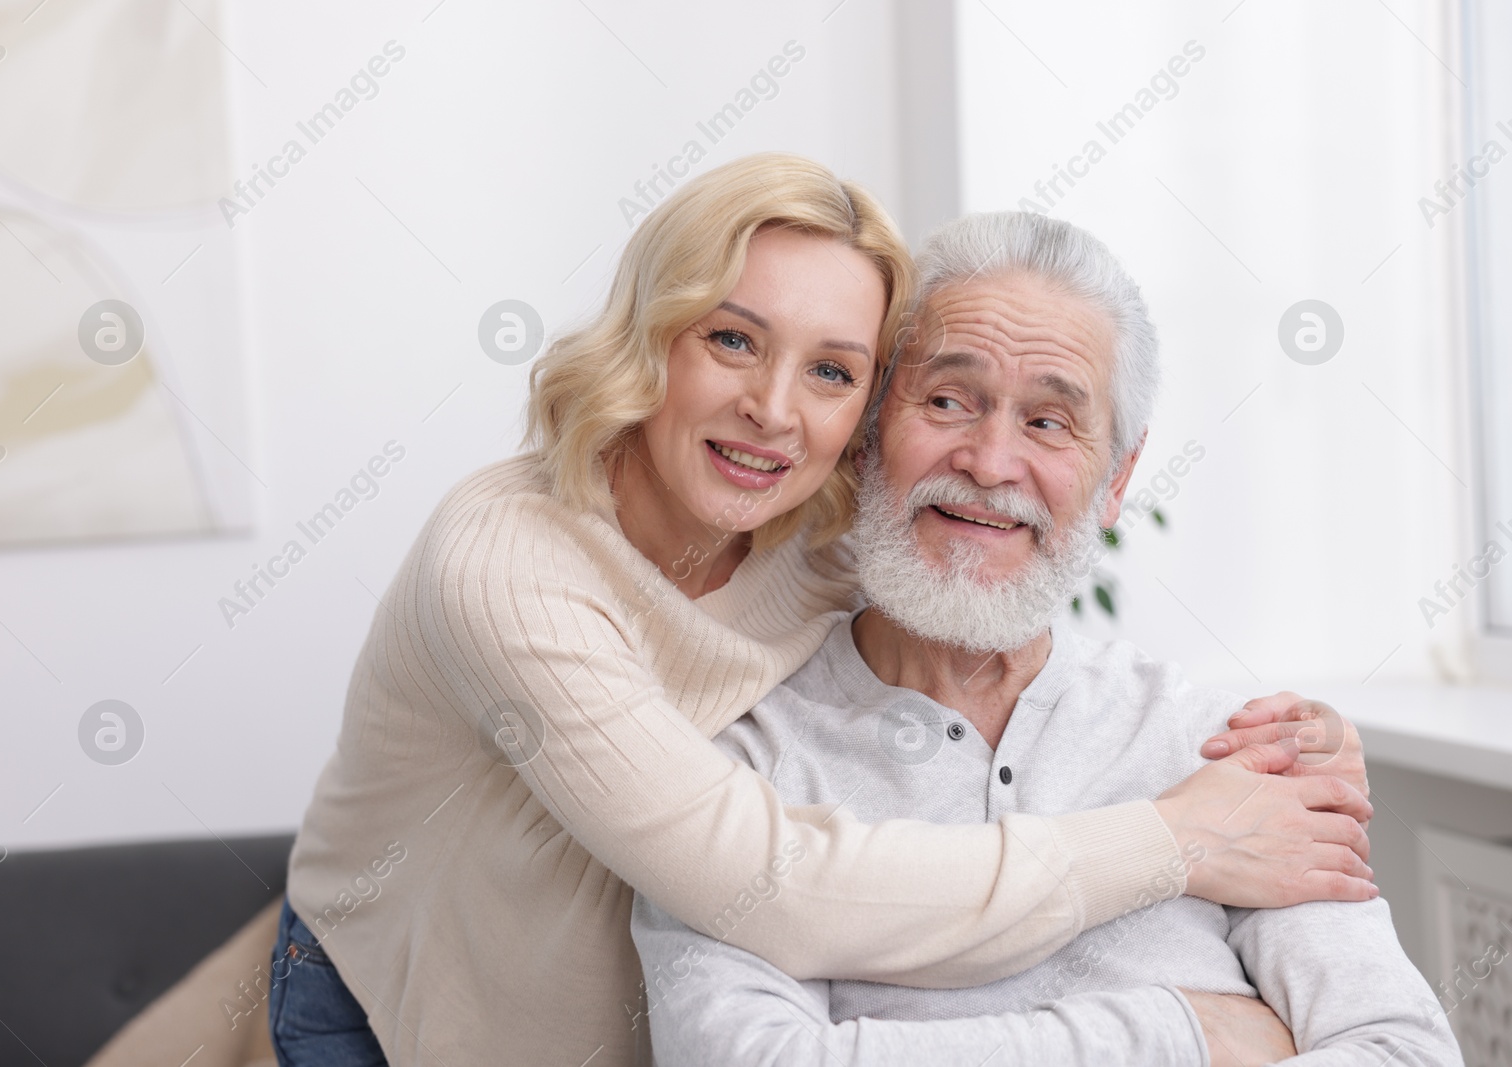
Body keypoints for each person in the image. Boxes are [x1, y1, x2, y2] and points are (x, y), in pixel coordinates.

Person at [272, 155, 1376, 1067]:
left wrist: (1302, 745)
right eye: (732, 338)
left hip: (637, 994)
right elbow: (760, 884)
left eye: (833, 370)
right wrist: (1177, 856)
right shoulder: (505, 561)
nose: (773, 409)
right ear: (650, 336)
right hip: (415, 994)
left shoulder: (827, 523)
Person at [631, 210, 1458, 1067]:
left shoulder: (1227, 751)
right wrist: (1188, 1035)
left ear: (1116, 479)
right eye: (949, 400)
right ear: (869, 434)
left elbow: (1405, 1052)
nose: (989, 462)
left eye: (1049, 422)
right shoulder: (741, 758)